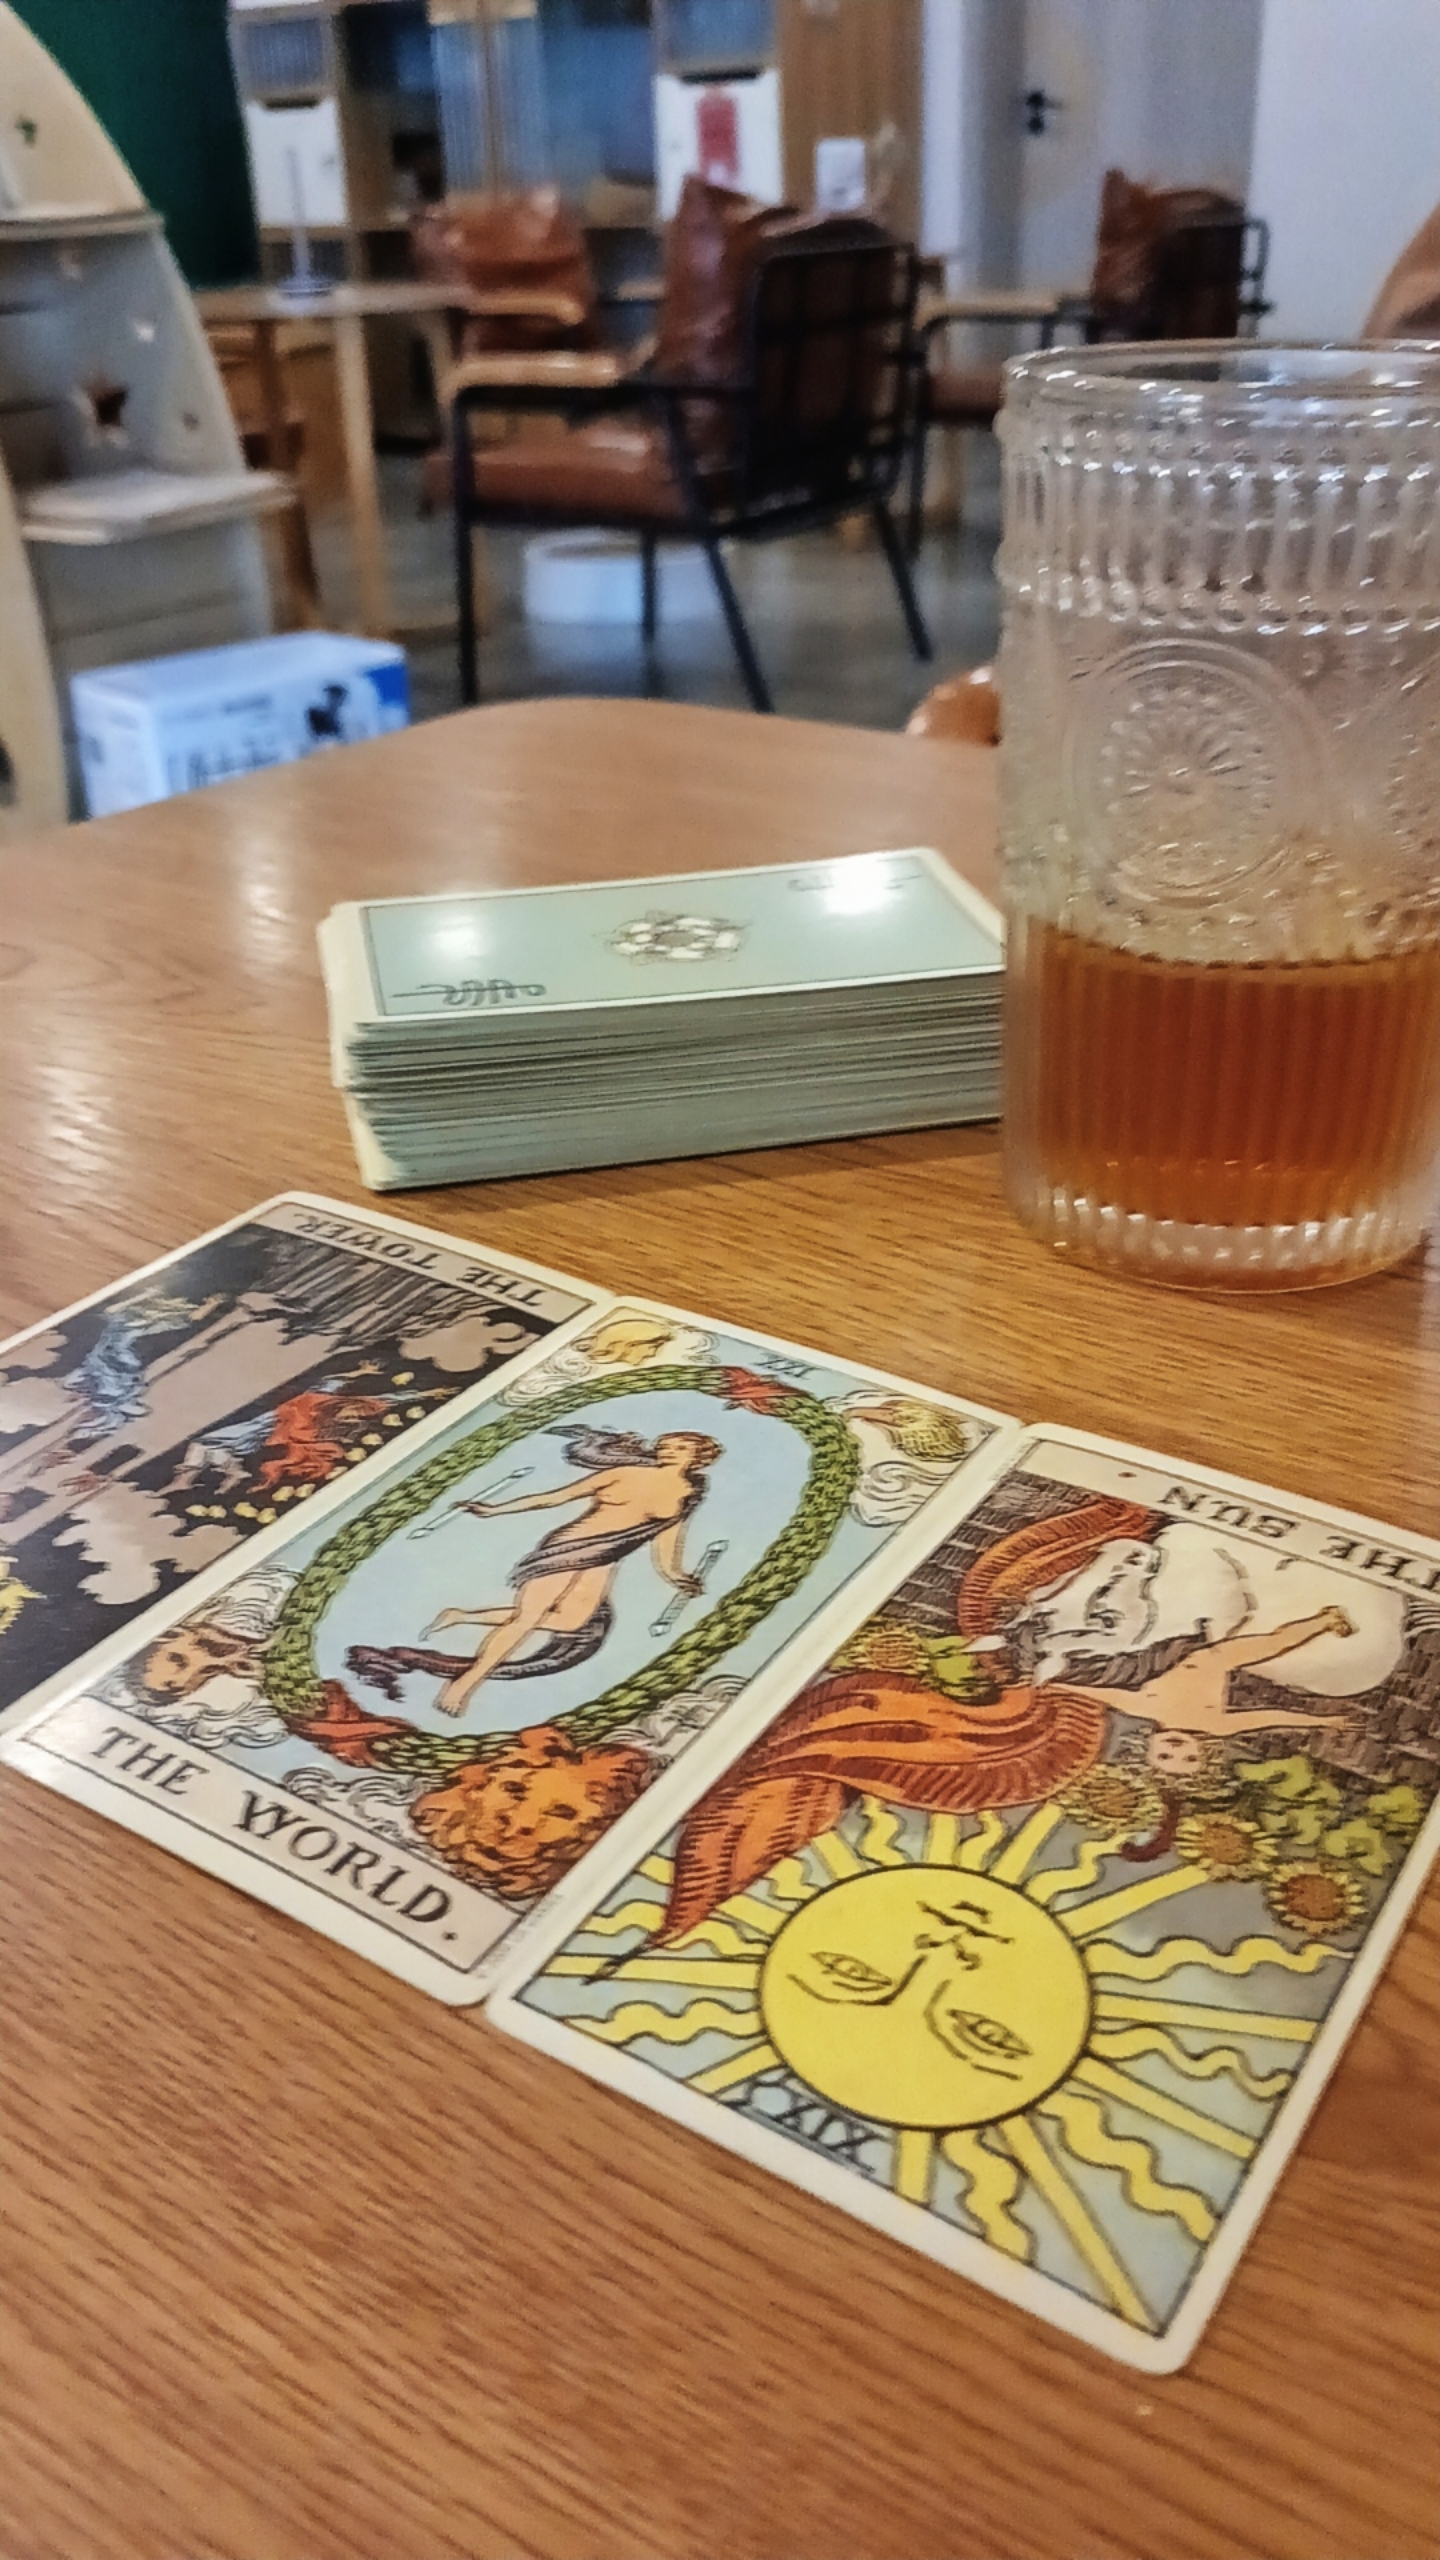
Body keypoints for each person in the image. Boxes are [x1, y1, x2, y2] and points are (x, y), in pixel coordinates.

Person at [349, 1424, 723, 1717]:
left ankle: (461, 1616)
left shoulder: (684, 1495)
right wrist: (495, 1510)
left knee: (570, 1621)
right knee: (527, 1618)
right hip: (567, 1546)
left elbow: (665, 1541)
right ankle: (464, 1685)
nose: (667, 1450)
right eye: (665, 1445)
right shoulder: (625, 1472)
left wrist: (675, 1576)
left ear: (698, 1457)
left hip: (607, 1556)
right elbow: (555, 1498)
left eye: (679, 1447)